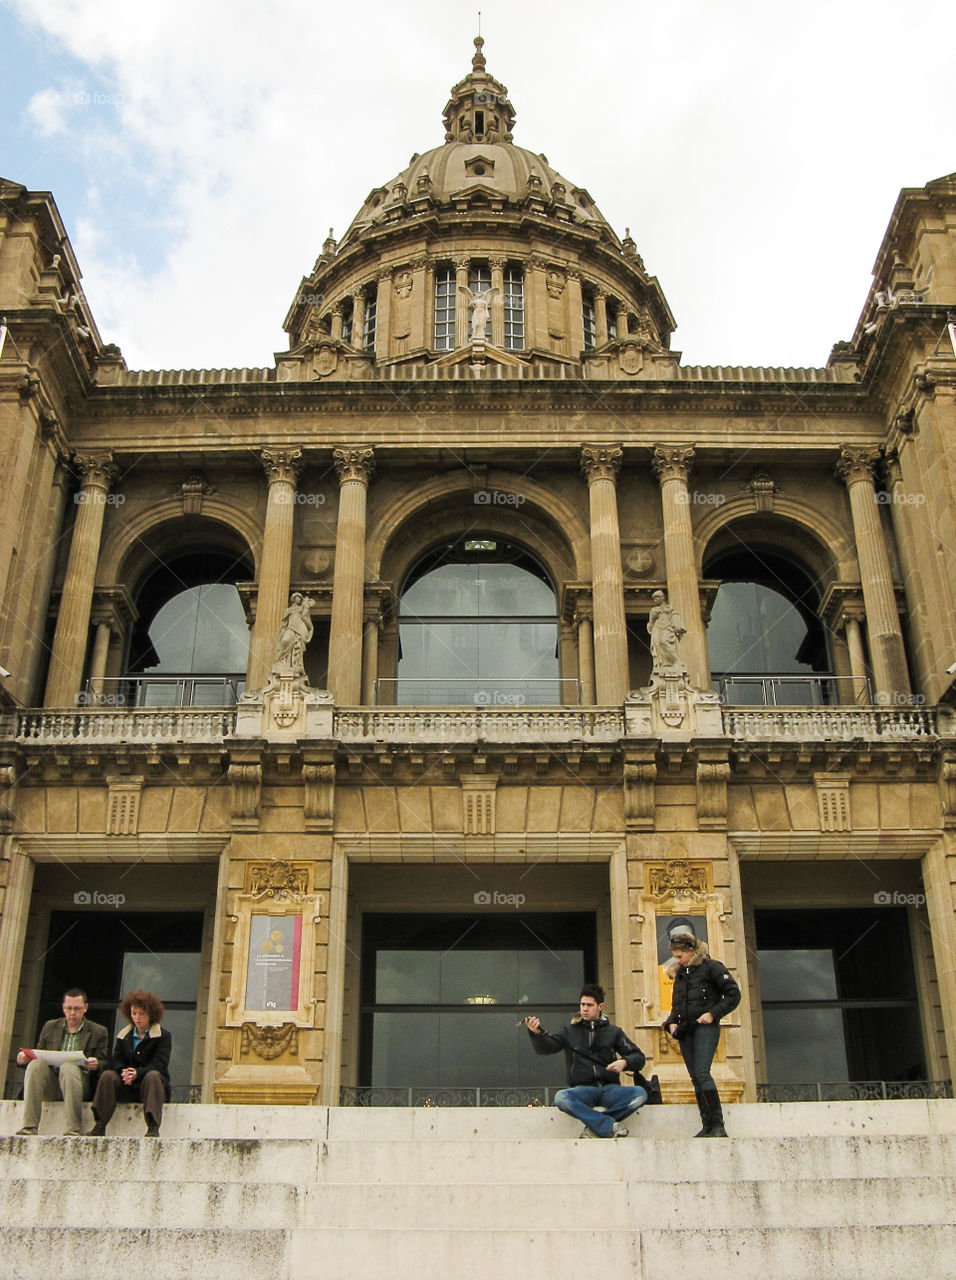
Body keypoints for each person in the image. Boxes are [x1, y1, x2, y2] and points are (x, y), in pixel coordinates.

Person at [525, 983, 647, 1138]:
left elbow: (638, 1057)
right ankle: (608, 1125)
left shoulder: (613, 1032)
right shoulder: (569, 1031)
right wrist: (536, 1034)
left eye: (589, 1005)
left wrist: (624, 1062)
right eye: (582, 1004)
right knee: (561, 1098)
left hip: (610, 1089)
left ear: (600, 1006)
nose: (584, 1009)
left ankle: (596, 1126)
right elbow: (548, 1047)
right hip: (582, 1090)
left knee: (640, 1094)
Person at [662, 924, 741, 1137]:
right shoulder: (679, 974)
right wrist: (670, 1023)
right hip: (685, 1030)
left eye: (680, 956)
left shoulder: (712, 967)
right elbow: (677, 1006)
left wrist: (713, 1014)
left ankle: (718, 1125)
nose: (677, 960)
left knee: (702, 1072)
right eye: (675, 957)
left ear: (691, 951)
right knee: (695, 1076)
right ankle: (707, 1126)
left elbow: (733, 995)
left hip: (705, 1027)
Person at [15, 988, 108, 1136]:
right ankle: (29, 1126)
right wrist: (23, 1060)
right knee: (35, 1065)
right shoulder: (50, 1027)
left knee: (69, 1067)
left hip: (78, 1085)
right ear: (63, 1008)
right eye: (68, 1008)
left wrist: (96, 1063)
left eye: (77, 1009)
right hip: (52, 1084)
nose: (72, 1013)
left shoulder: (98, 1031)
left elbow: (105, 1062)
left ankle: (73, 1128)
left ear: (85, 1008)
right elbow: (40, 1055)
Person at [89, 990, 171, 1137]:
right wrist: (124, 1072)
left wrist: (137, 1074)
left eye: (141, 1013)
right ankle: (100, 1125)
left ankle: (152, 1126)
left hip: (150, 1086)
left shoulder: (163, 1036)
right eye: (134, 1013)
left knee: (153, 1076)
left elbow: (160, 1064)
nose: (137, 1018)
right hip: (127, 1086)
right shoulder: (123, 1035)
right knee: (108, 1075)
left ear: (151, 1013)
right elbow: (115, 1060)